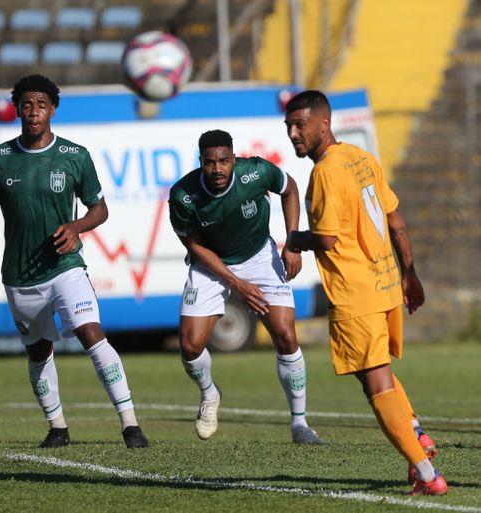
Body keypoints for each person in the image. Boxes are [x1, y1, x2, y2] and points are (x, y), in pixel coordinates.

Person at [0, 74, 148, 449]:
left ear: (53, 109)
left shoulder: (75, 156)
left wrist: (76, 227)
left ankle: (130, 424)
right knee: (39, 351)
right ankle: (57, 427)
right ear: (17, 109)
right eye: (27, 104)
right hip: (20, 275)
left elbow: (99, 208)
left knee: (92, 334)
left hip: (66, 267)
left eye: (41, 105)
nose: (34, 112)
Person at [284, 90, 448, 496]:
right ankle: (418, 434)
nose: (292, 134)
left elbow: (325, 239)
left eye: (300, 125)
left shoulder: (325, 172)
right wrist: (409, 273)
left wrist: (293, 240)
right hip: (386, 284)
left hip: (356, 293)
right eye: (288, 126)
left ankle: (427, 475)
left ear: (324, 124)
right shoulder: (361, 157)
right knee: (373, 372)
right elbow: (396, 220)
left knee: (377, 386)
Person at [168, 129, 323, 444]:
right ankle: (210, 393)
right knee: (190, 346)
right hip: (211, 265)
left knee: (285, 333)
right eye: (210, 163)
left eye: (224, 161)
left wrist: (292, 242)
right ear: (201, 162)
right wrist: (237, 283)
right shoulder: (183, 195)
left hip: (259, 257)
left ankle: (300, 425)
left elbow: (290, 188)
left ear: (233, 159)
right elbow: (194, 246)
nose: (217, 169)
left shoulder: (255, 172)